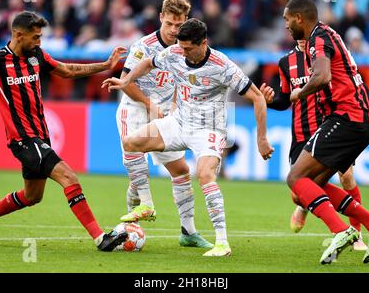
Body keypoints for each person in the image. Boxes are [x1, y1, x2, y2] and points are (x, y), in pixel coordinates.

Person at [0, 11, 128, 252]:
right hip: (23, 139)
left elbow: (67, 70)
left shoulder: (36, 56)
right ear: (18, 35)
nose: (39, 42)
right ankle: (101, 238)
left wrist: (106, 65)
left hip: (40, 136)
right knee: (69, 178)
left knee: (32, 196)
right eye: (35, 37)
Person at [102, 18, 274, 256]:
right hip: (178, 123)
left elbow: (257, 97)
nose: (181, 52)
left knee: (204, 175)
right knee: (131, 142)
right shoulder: (174, 52)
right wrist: (126, 80)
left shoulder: (222, 65)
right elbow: (147, 63)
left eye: (188, 48)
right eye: (180, 47)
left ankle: (222, 242)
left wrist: (262, 138)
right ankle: (147, 205)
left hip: (208, 130)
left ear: (204, 43)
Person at [283, 0, 369, 264]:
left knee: (295, 178)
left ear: (299, 18)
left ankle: (341, 230)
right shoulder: (326, 35)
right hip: (361, 121)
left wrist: (300, 93)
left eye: (287, 20)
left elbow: (322, 77)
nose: (286, 26)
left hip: (347, 119)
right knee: (313, 184)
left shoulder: (318, 39)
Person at [115, 0, 213, 249]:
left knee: (181, 170)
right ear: (161, 18)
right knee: (134, 160)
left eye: (179, 25)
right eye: (169, 23)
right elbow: (126, 83)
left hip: (165, 114)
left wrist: (175, 107)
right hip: (135, 110)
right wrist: (151, 106)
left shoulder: (186, 48)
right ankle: (136, 219)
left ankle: (188, 232)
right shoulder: (144, 46)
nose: (173, 30)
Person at [260, 40, 367, 251]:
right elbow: (284, 99)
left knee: (347, 177)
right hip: (302, 134)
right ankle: (304, 207)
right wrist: (270, 100)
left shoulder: (327, 55)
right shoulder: (285, 62)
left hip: (333, 129)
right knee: (300, 191)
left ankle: (357, 235)